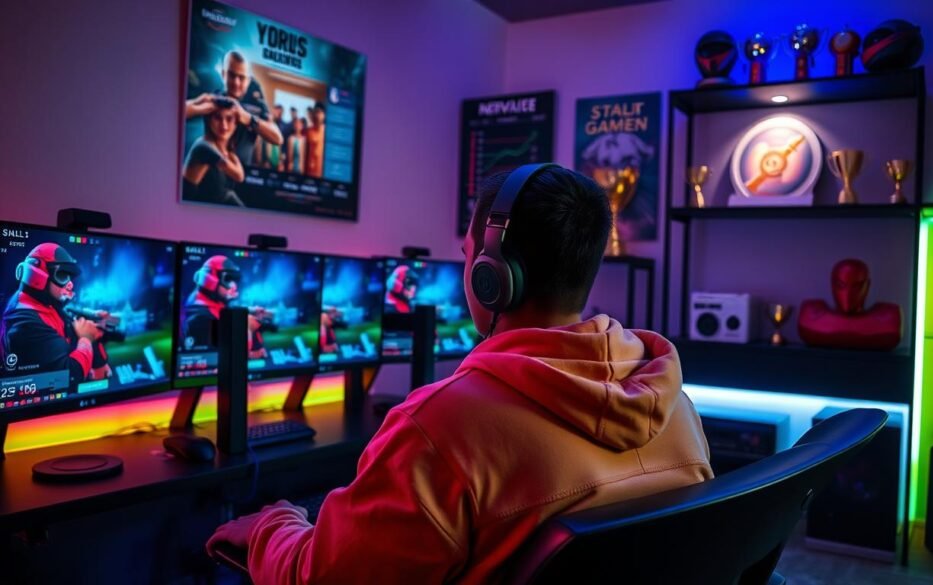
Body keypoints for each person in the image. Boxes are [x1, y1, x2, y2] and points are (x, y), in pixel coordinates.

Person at [207, 164, 712, 584]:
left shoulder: (438, 428)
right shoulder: (675, 405)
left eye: (469, 258)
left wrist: (272, 526)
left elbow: (322, 578)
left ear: (492, 278)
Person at [0, 244, 107, 385]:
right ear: (37, 276)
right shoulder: (25, 324)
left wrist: (92, 316)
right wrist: (86, 338)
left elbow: (67, 313)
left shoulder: (44, 302)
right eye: (62, 275)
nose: (70, 284)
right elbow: (71, 376)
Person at [185, 51, 283, 167]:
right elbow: (175, 112)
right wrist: (199, 105)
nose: (236, 82)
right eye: (231, 75)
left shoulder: (257, 104)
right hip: (209, 172)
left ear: (248, 80)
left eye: (241, 78)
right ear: (223, 74)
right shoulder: (214, 98)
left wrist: (248, 119)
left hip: (241, 173)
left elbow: (277, 138)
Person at [182, 103, 246, 205]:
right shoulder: (204, 146)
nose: (224, 125)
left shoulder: (225, 148)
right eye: (217, 118)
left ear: (236, 124)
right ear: (209, 120)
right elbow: (239, 176)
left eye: (229, 119)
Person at [181, 255, 240, 350]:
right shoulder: (200, 319)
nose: (234, 286)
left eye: (234, 280)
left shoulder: (213, 306)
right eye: (228, 279)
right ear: (209, 280)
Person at [304, 102, 326, 178]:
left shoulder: (328, 132)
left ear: (324, 115)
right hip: (309, 172)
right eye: (315, 112)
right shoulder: (308, 131)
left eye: (319, 112)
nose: (317, 115)